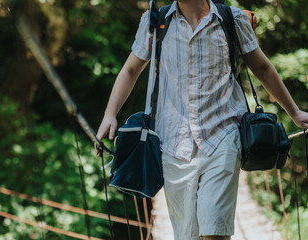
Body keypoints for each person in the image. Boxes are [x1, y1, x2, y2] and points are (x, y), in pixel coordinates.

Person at [96, 0, 308, 239]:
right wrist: (109, 114)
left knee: (215, 232)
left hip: (223, 137)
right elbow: (131, 70)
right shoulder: (155, 22)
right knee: (188, 235)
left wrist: (294, 112)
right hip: (173, 145)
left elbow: (262, 67)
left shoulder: (233, 20)